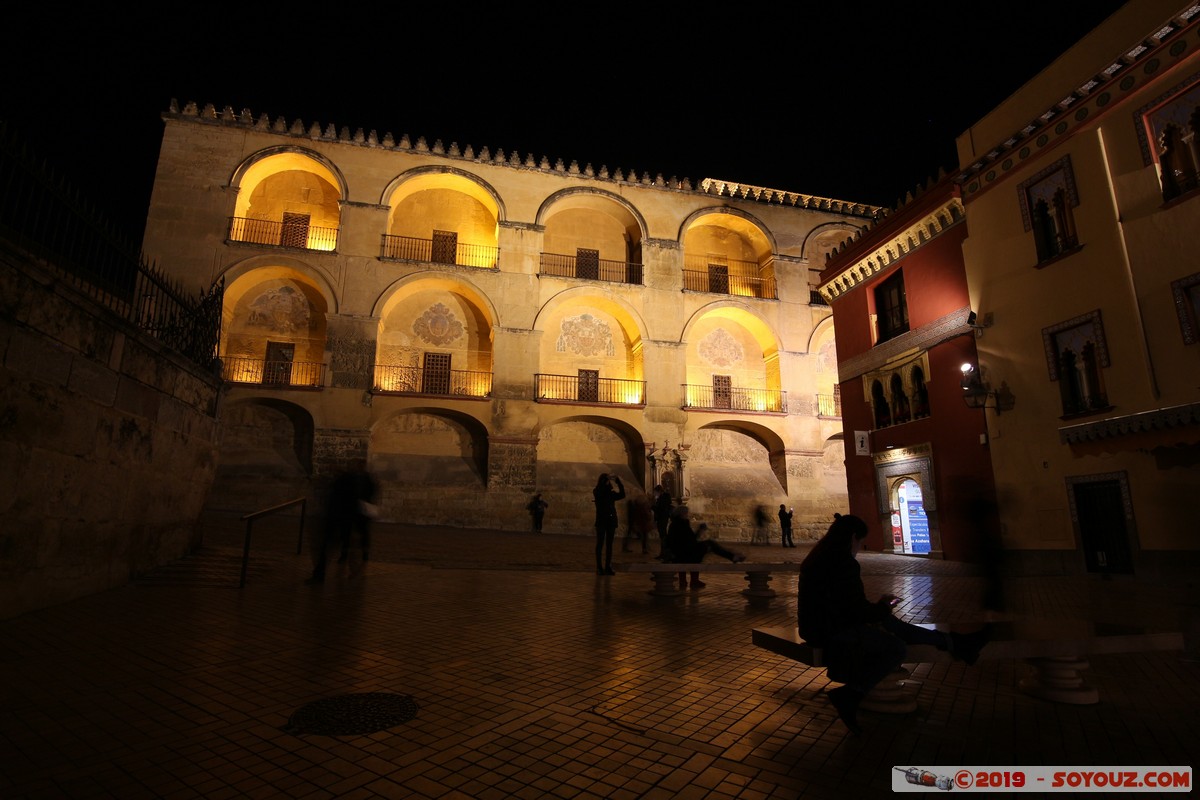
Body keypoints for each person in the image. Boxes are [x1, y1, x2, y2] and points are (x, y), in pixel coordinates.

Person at [798, 513, 990, 735]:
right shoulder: (843, 564)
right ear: (852, 537)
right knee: (895, 647)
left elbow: (845, 605)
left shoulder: (817, 558)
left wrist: (880, 610)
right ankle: (852, 693)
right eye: (860, 541)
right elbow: (856, 611)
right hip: (832, 631)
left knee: (891, 623)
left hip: (819, 626)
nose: (860, 546)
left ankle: (957, 643)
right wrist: (884, 606)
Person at [307, 458, 378, 584]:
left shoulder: (346, 480)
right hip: (342, 520)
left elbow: (345, 501)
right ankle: (344, 569)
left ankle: (322, 574)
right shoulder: (349, 479)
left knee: (328, 549)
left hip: (339, 520)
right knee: (336, 547)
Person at [665, 505, 745, 589]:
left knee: (707, 546)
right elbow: (691, 540)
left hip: (680, 553)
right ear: (682, 514)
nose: (687, 515)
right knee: (709, 544)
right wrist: (700, 530)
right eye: (686, 513)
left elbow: (688, 541)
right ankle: (732, 557)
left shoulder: (674, 524)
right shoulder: (681, 524)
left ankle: (686, 581)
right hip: (683, 553)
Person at [593, 473, 625, 575]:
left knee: (609, 545)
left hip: (610, 521)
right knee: (600, 544)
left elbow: (622, 494)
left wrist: (618, 481)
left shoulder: (611, 493)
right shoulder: (598, 491)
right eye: (607, 480)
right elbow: (600, 492)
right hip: (602, 521)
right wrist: (605, 480)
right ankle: (599, 567)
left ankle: (607, 566)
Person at [652, 485, 673, 559]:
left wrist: (653, 507)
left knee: (663, 537)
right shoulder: (660, 498)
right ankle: (663, 553)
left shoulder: (664, 497)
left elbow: (661, 509)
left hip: (663, 519)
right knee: (662, 537)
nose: (654, 494)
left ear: (659, 491)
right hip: (661, 519)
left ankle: (666, 554)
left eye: (655, 492)